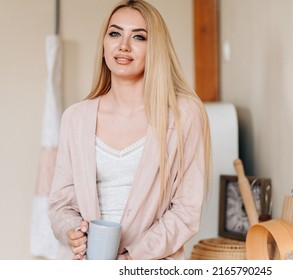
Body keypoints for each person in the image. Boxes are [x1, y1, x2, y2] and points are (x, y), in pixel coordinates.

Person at [48, 0, 211, 260]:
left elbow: (186, 211)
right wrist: (72, 232)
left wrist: (132, 259)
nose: (123, 45)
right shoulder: (75, 118)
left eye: (139, 37)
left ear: (155, 48)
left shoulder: (183, 114)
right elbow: (61, 204)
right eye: (114, 33)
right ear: (103, 46)